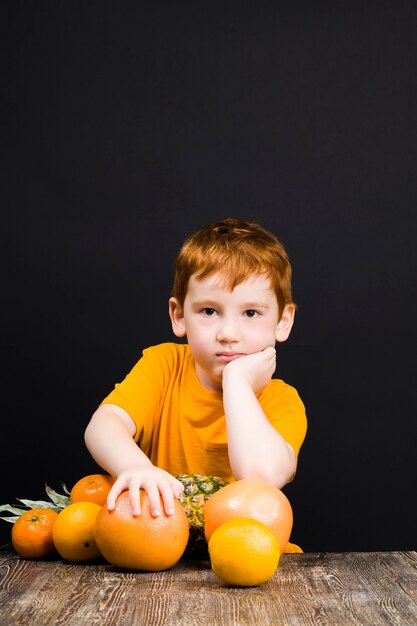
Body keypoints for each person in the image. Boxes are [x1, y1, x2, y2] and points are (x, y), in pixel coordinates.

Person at [84, 217, 307, 521]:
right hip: (155, 545)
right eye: (209, 311)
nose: (229, 333)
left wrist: (238, 383)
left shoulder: (281, 401)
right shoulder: (164, 366)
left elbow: (260, 478)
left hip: (244, 556)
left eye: (251, 313)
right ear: (179, 316)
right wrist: (135, 467)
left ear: (282, 321)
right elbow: (103, 425)